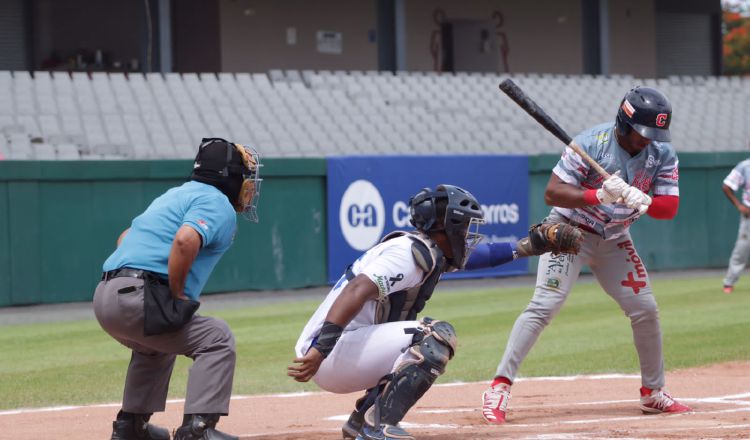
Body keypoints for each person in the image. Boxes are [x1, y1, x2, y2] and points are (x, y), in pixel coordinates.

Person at [287, 184, 581, 440]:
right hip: (330, 353)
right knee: (433, 337)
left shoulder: (427, 250)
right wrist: (320, 350)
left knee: (410, 342)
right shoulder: (406, 254)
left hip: (341, 349)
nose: (468, 234)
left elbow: (481, 256)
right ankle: (378, 427)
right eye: (465, 227)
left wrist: (530, 246)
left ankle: (360, 422)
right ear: (448, 229)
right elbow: (356, 291)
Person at [481, 86, 692, 425]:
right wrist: (599, 194)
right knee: (544, 305)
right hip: (568, 232)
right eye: (642, 133)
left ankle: (652, 393)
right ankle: (499, 387)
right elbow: (553, 193)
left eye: (653, 134)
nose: (648, 140)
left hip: (614, 238)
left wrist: (644, 200)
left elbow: (669, 208)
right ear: (624, 123)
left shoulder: (662, 153)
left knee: (645, 309)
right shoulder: (590, 143)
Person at [93, 138, 261, 440]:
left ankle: (130, 427)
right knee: (217, 337)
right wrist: (176, 291)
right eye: (244, 175)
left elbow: (126, 236)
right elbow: (185, 240)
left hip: (107, 293)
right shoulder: (217, 202)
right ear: (228, 176)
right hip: (140, 295)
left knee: (156, 346)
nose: (248, 183)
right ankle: (198, 429)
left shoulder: (175, 194)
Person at [721, 149, 750, 294]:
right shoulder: (745, 166)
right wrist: (739, 205)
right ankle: (729, 282)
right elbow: (726, 186)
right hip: (749, 216)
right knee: (741, 250)